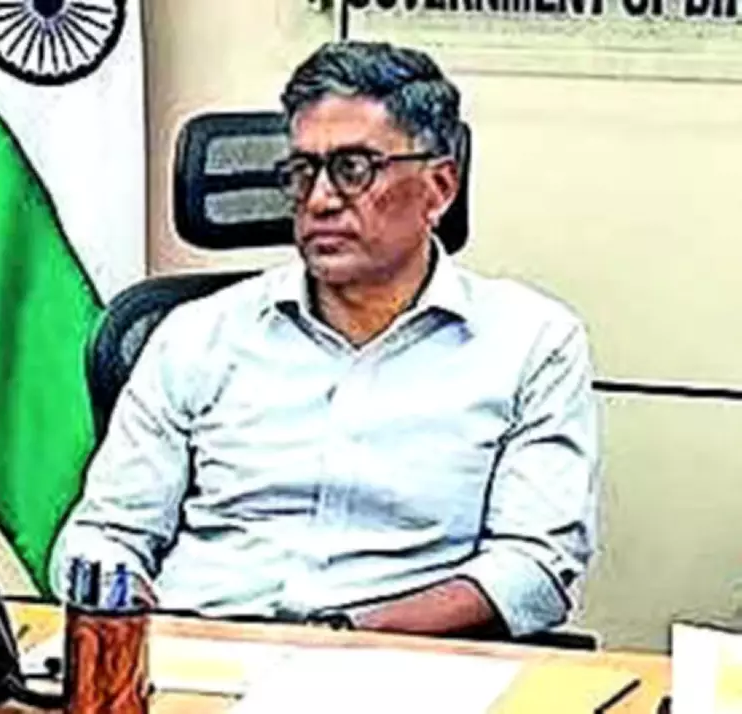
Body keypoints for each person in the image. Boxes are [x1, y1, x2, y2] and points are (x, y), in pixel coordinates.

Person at [50, 40, 599, 639]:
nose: (319, 200)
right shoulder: (197, 335)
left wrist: (341, 636)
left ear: (439, 188)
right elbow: (105, 533)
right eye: (302, 172)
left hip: (397, 659)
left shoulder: (530, 343)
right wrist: (125, 608)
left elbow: (533, 569)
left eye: (353, 170)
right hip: (195, 648)